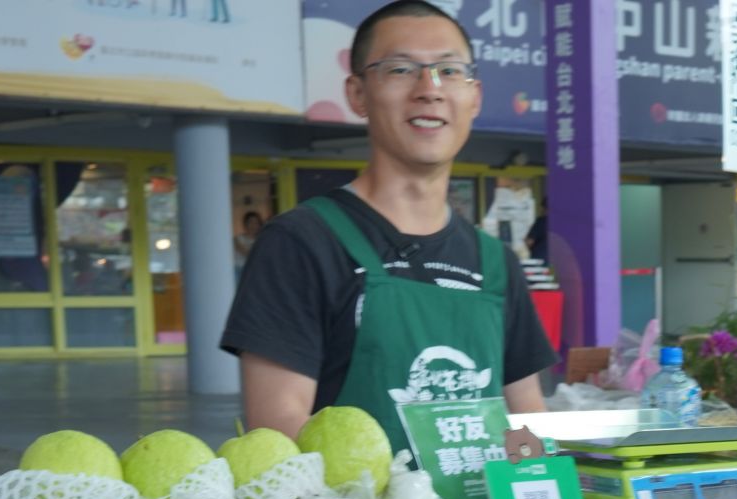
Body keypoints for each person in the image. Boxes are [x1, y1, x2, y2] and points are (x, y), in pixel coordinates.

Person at [221, 0, 553, 449]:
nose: (429, 88)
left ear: (474, 96)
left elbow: (527, 416)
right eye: (400, 69)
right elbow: (277, 431)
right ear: (358, 94)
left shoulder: (495, 263)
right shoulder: (301, 243)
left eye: (449, 70)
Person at [232, 210, 262, 277]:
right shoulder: (237, 240)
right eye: (250, 222)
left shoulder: (261, 240)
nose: (253, 225)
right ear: (245, 223)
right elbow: (249, 254)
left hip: (254, 272)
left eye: (256, 223)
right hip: (238, 271)